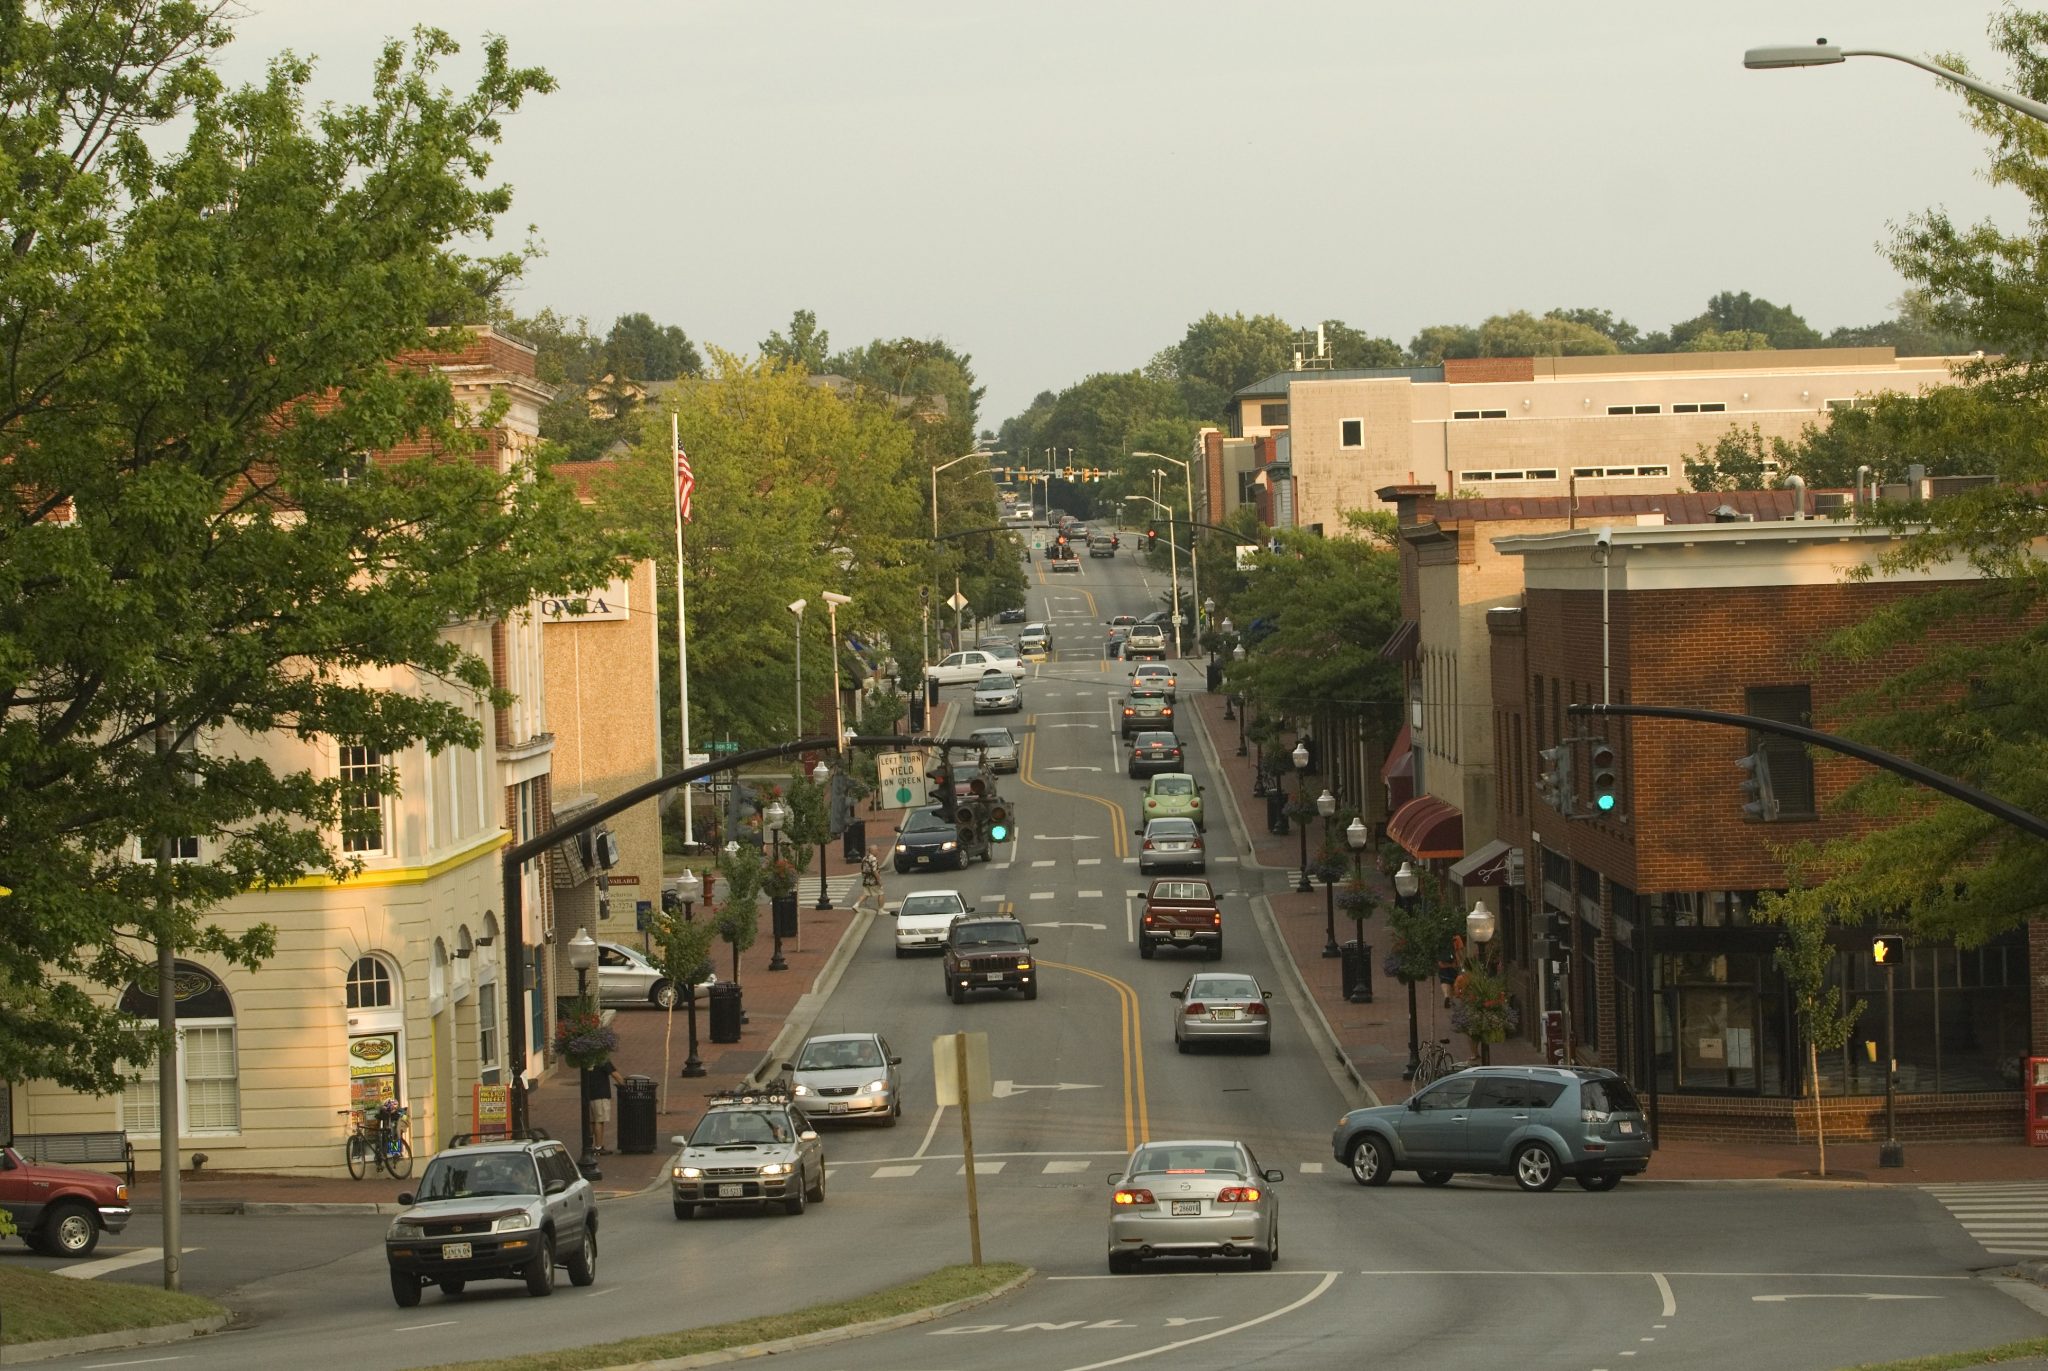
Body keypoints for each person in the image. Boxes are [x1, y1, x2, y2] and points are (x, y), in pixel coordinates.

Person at [582, 1055, 622, 1154]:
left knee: (591, 1121)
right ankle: (598, 1147)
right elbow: (615, 1074)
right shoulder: (601, 1059)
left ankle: (588, 1146)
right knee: (599, 1121)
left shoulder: (586, 1058)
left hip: (589, 1094)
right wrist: (625, 1085)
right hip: (601, 1094)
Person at [856, 849, 885, 916]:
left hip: (866, 879)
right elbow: (875, 871)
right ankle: (881, 909)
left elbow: (862, 868)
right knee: (881, 893)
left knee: (866, 893)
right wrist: (879, 880)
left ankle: (856, 905)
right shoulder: (874, 859)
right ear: (873, 851)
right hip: (873, 880)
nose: (877, 851)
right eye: (876, 850)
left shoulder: (864, 858)